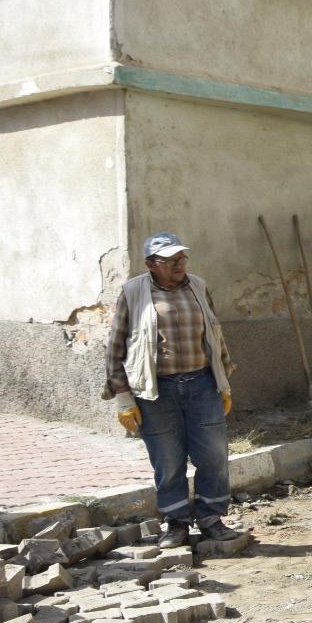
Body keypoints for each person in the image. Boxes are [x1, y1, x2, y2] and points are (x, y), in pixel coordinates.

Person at [104, 232, 243, 548]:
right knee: (167, 461)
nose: (180, 264)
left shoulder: (198, 286)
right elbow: (115, 348)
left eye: (182, 258)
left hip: (202, 385)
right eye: (171, 260)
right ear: (151, 264)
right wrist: (123, 398)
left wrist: (223, 383)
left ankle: (211, 519)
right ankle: (176, 523)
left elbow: (215, 334)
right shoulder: (133, 292)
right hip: (157, 392)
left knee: (214, 456)